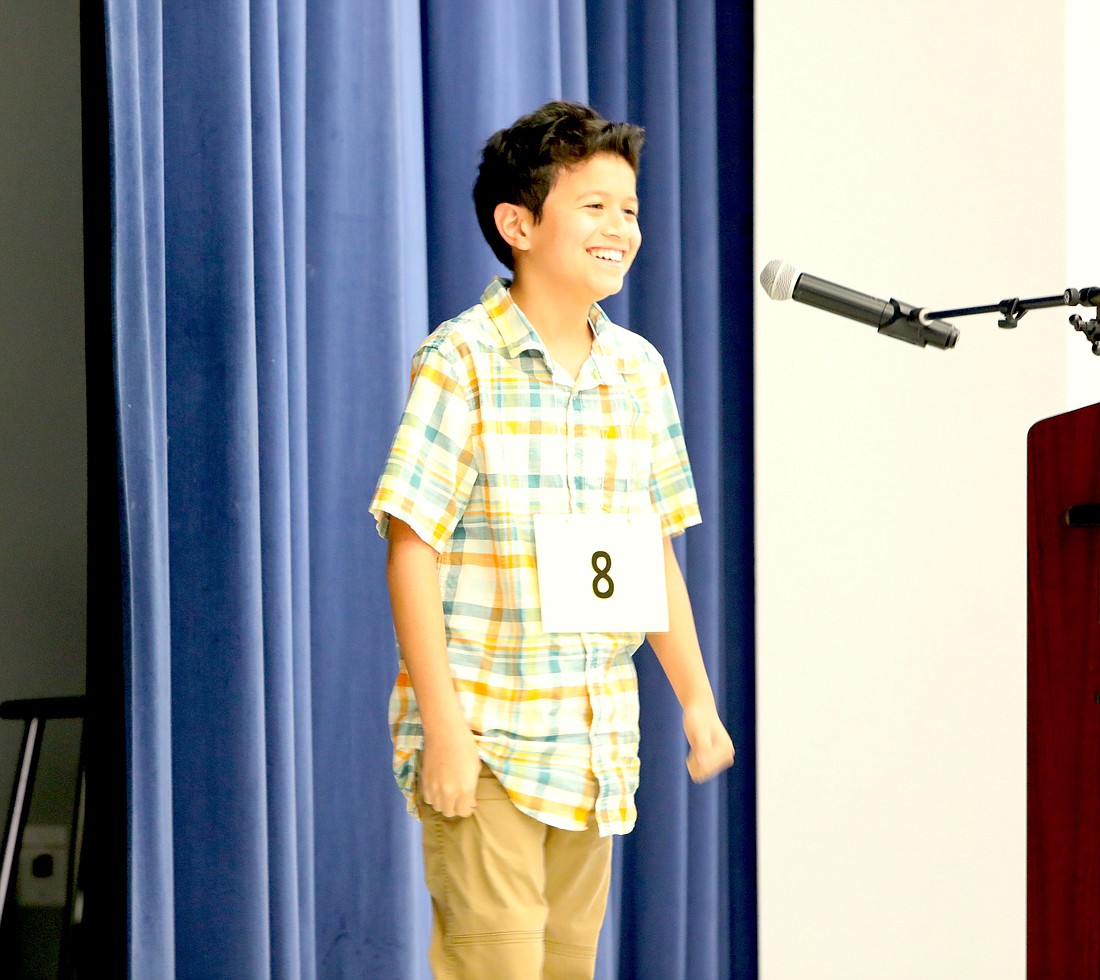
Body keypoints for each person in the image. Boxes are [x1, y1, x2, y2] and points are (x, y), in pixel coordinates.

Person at [370, 100, 734, 980]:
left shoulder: (638, 371)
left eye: (630, 209)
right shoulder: (461, 360)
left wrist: (695, 699)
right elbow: (411, 548)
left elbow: (649, 550)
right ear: (519, 225)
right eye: (595, 206)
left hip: (595, 749)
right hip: (488, 737)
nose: (621, 228)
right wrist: (444, 729)